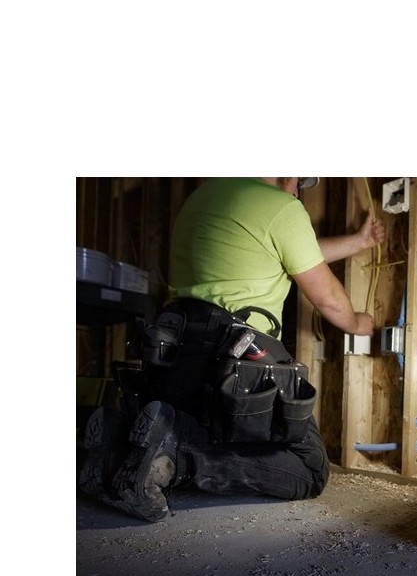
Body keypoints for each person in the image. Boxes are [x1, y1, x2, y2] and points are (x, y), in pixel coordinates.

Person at [79, 177, 385, 522]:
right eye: (300, 181)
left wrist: (359, 242)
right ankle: (175, 453)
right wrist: (358, 323)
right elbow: (328, 298)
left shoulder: (204, 198)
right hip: (234, 369)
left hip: (178, 362)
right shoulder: (282, 208)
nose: (298, 190)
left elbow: (297, 250)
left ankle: (117, 444)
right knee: (308, 469)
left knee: (215, 437)